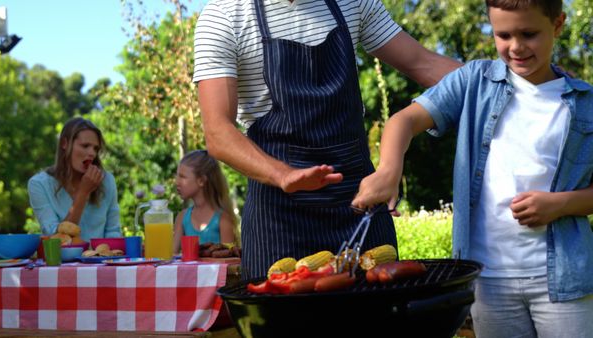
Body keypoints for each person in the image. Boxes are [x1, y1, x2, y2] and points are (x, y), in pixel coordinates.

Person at [352, 0, 593, 336]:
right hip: (489, 279)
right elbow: (403, 121)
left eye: (529, 34)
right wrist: (388, 171)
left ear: (558, 24)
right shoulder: (473, 82)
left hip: (565, 280)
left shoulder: (585, 104)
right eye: (503, 34)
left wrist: (560, 205)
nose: (516, 46)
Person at [193, 0, 461, 279]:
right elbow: (217, 133)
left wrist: (497, 81)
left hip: (362, 207)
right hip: (279, 218)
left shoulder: (354, 2)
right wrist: (283, 174)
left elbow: (423, 64)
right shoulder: (223, 16)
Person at [28, 117, 122, 243]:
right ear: (64, 144)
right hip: (62, 262)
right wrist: (83, 193)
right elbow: (57, 240)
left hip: (100, 260)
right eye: (85, 146)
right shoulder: (39, 184)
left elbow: (113, 232)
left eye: (95, 148)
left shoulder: (107, 181)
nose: (92, 153)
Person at [172, 150, 237, 255]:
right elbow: (172, 256)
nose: (177, 182)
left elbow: (229, 261)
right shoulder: (182, 218)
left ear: (201, 180)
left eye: (183, 177)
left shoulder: (223, 219)